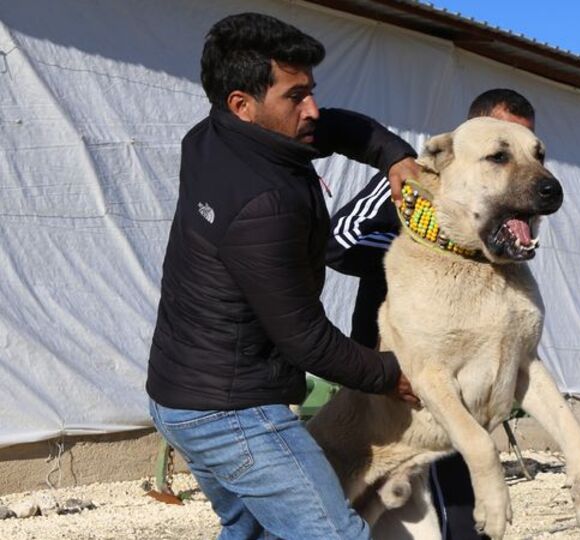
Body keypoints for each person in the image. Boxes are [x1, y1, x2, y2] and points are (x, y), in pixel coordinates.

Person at [146, 13, 419, 539]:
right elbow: (304, 337)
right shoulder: (265, 203)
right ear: (242, 105)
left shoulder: (208, 139)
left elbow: (332, 125)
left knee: (249, 530)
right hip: (229, 414)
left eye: (312, 91)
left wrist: (393, 155)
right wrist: (392, 373)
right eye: (296, 96)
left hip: (175, 393)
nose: (312, 109)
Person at [327, 88, 537, 539]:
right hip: (402, 375)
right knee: (428, 509)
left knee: (461, 507)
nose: (521, 164)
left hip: (467, 375)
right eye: (503, 151)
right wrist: (428, 254)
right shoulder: (416, 179)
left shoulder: (506, 207)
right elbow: (339, 242)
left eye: (529, 148)